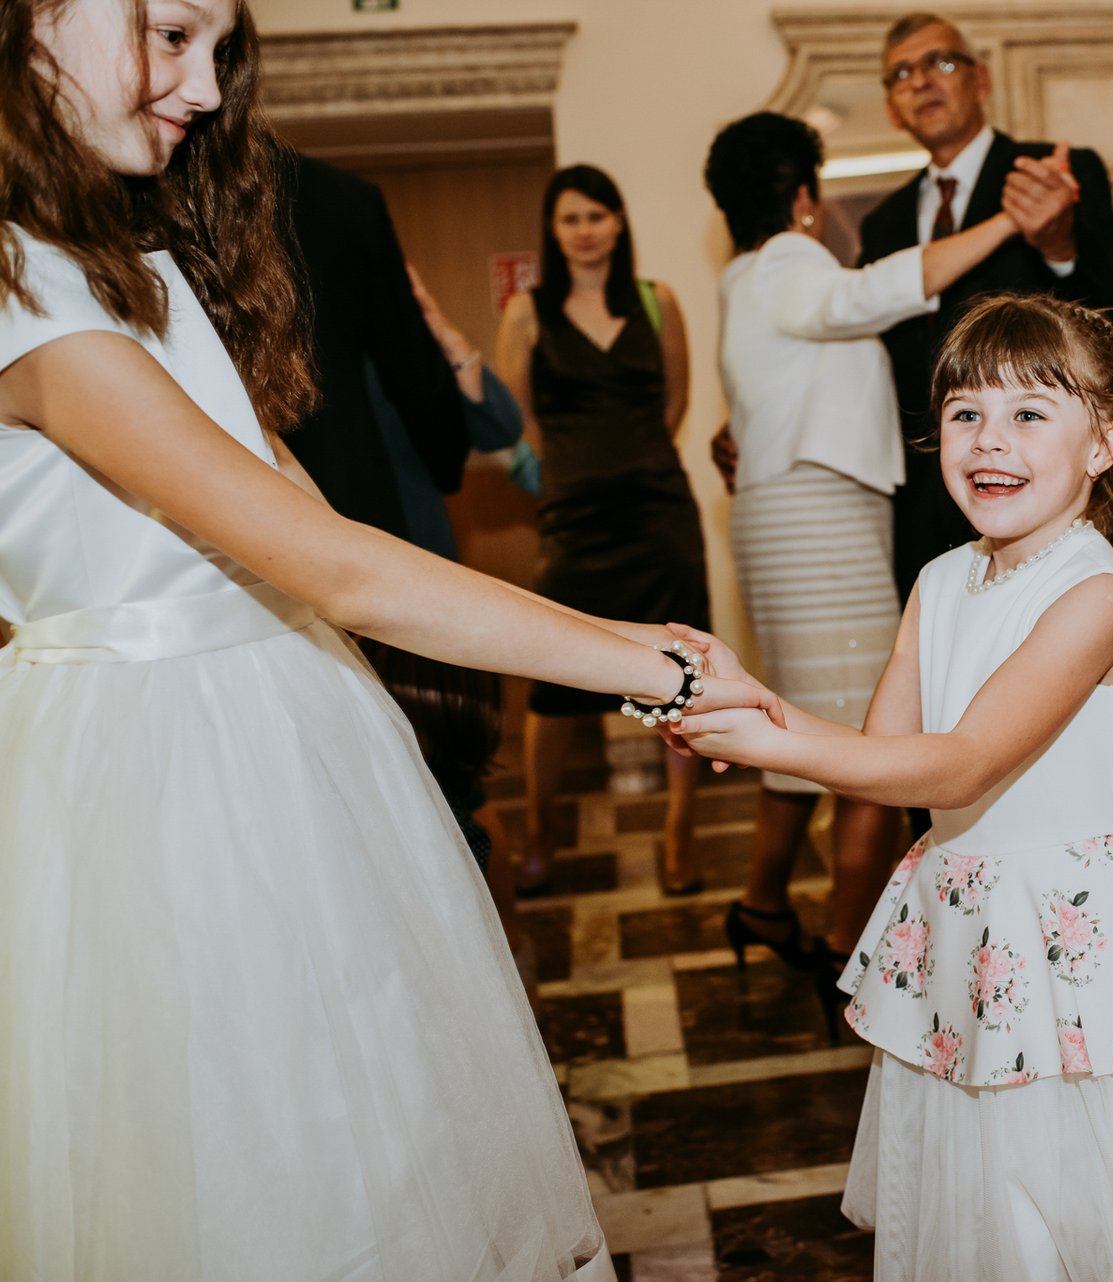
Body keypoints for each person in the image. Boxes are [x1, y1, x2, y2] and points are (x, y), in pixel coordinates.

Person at [0, 0, 774, 1273]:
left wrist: (625, 637)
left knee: (365, 1129)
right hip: (159, 766)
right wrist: (666, 668)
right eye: (173, 34)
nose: (206, 89)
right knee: (235, 1143)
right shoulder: (24, 286)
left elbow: (319, 525)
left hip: (281, 717)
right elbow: (335, 567)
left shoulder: (128, 264)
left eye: (220, 52)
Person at [667, 294, 1113, 1281]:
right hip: (974, 926)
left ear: (1102, 445)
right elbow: (883, 757)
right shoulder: (939, 582)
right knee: (998, 1202)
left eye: (1029, 413)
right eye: (965, 413)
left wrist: (772, 730)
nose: (988, 439)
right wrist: (756, 715)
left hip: (1088, 940)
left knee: (1109, 1198)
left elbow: (964, 762)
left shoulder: (1097, 594)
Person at [702, 112, 1028, 1012]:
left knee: (805, 720)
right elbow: (873, 293)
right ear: (804, 197)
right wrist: (1009, 221)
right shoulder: (789, 261)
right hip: (818, 518)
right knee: (872, 747)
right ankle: (852, 959)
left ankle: (764, 905)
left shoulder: (742, 278)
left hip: (785, 512)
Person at [858, 10, 1113, 600]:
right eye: (902, 74)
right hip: (925, 497)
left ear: (980, 80)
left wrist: (1059, 244)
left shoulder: (1052, 170)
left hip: (1044, 485)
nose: (921, 81)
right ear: (892, 108)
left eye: (940, 62)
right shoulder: (883, 222)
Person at [496, 164, 709, 894]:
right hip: (573, 518)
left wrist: (634, 462)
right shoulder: (526, 312)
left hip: (660, 515)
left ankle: (680, 832)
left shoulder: (658, 301)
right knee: (552, 681)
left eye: (598, 215)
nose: (585, 230)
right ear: (553, 231)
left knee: (683, 675)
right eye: (571, 218)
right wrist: (575, 471)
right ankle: (539, 830)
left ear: (618, 222)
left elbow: (676, 402)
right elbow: (519, 420)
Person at [284, 151, 469, 537]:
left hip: (366, 489)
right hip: (344, 486)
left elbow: (498, 425)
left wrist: (461, 354)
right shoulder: (339, 199)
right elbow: (418, 381)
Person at [363, 263, 527, 561]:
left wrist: (451, 343)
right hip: (346, 549)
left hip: (423, 546)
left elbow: (501, 428)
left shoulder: (403, 352)